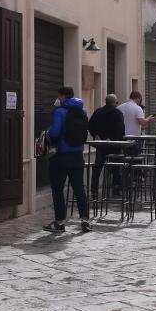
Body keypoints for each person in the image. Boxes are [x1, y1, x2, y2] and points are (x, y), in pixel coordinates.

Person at [45, 86, 90, 233]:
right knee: (79, 188)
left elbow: (54, 133)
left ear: (63, 96)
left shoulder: (60, 112)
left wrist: (48, 133)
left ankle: (59, 223)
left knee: (58, 189)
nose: (58, 99)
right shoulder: (82, 112)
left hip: (61, 156)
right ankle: (85, 220)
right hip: (78, 155)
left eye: (59, 96)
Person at [88, 93, 126, 199]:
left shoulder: (98, 112)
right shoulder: (117, 113)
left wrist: (96, 135)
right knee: (115, 168)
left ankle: (94, 191)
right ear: (114, 103)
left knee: (97, 168)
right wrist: (115, 139)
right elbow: (120, 129)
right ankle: (116, 190)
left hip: (100, 145)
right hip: (114, 145)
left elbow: (90, 125)